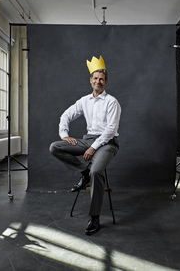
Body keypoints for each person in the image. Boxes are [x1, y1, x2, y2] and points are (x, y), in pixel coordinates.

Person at [49, 55, 121, 235]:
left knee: (97, 171)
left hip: (107, 143)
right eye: (95, 78)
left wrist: (93, 147)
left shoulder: (112, 102)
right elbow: (66, 115)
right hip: (88, 139)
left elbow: (110, 130)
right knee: (55, 147)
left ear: (106, 82)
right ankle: (84, 172)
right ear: (91, 80)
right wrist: (64, 135)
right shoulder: (84, 101)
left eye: (102, 79)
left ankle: (94, 217)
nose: (98, 81)